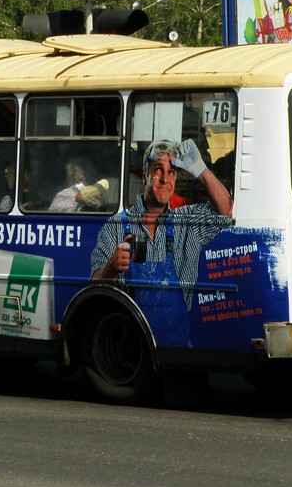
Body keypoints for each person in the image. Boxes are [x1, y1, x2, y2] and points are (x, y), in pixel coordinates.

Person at [90, 138, 234, 347]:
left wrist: (200, 170)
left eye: (172, 172)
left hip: (181, 353)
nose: (165, 178)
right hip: (135, 353)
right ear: (145, 175)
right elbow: (94, 287)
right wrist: (110, 269)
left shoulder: (187, 223)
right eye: (159, 169)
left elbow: (226, 210)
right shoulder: (116, 226)